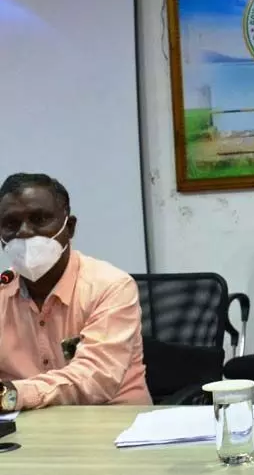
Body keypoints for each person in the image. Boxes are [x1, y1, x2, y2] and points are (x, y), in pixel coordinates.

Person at [0, 173, 151, 411]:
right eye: (11, 224)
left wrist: (11, 395)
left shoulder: (111, 285)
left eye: (39, 219)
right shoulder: (2, 289)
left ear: (69, 227)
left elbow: (95, 379)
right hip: (24, 429)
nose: (25, 232)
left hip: (113, 424)